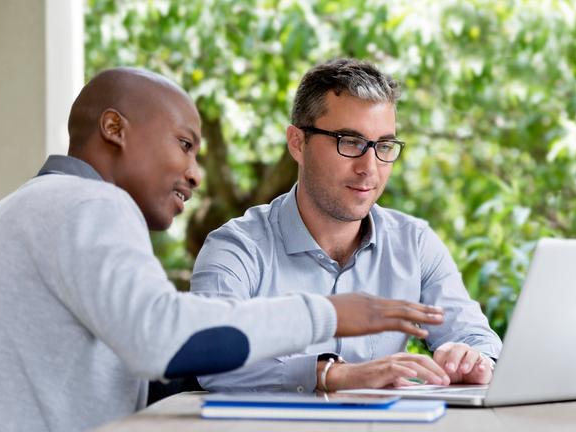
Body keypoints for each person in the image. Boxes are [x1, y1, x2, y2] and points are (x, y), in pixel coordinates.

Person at [0, 67, 445, 432]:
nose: (196, 173)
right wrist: (329, 313)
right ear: (114, 128)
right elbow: (164, 339)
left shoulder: (7, 213)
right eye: (184, 144)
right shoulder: (92, 204)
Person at [191, 59, 502, 394]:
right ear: (297, 143)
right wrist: (333, 374)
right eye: (349, 141)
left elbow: (478, 339)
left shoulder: (414, 243)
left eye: (383, 146)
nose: (369, 168)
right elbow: (208, 355)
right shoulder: (237, 247)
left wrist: (471, 357)